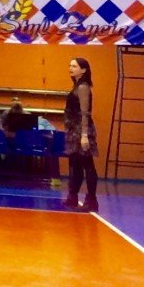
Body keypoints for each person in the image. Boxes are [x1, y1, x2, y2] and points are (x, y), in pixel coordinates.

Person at [63, 58, 100, 212]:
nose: (70, 68)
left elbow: (85, 113)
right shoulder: (76, 86)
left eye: (74, 66)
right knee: (75, 164)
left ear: (83, 70)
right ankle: (72, 196)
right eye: (70, 65)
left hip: (81, 129)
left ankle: (91, 200)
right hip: (73, 130)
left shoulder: (83, 87)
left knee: (87, 164)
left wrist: (84, 135)